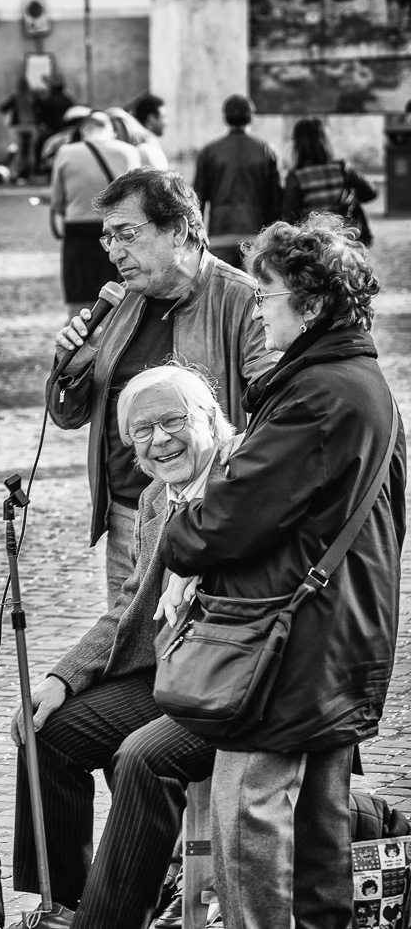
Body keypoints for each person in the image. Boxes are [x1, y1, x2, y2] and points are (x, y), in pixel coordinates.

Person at [159, 213, 406, 929]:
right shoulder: (353, 382)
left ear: (312, 303)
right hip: (334, 637)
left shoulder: (318, 396)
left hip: (289, 647)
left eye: (265, 296)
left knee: (257, 836)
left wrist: (178, 534)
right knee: (317, 840)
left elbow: (227, 520)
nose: (256, 309)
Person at [11, 364, 228, 929]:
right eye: (142, 431)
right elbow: (129, 607)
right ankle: (64, 904)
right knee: (46, 733)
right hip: (175, 669)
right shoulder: (158, 497)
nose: (160, 440)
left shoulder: (242, 479)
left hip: (232, 677)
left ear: (209, 417)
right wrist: (63, 677)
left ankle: (110, 920)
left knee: (140, 757)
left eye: (173, 421)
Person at [47, 167, 275, 604]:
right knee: (125, 659)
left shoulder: (243, 301)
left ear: (179, 230)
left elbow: (279, 406)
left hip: (204, 519)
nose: (114, 251)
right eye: (108, 238)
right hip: (126, 519)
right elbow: (68, 414)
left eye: (126, 234)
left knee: (191, 661)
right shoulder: (118, 303)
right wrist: (71, 368)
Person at [49, 112, 140, 315]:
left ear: (84, 131)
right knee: (119, 295)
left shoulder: (66, 152)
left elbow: (57, 199)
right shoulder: (128, 152)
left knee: (79, 296)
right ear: (112, 132)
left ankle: (80, 337)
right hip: (118, 230)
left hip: (77, 228)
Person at [193, 94, 282, 269]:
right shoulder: (266, 150)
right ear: (251, 116)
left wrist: (197, 236)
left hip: (219, 235)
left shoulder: (209, 151)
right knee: (255, 292)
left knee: (221, 292)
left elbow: (197, 200)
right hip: (256, 236)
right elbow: (276, 199)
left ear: (225, 117)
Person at [281, 116, 377, 245]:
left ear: (297, 144)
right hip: (345, 242)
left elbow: (288, 218)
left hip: (312, 245)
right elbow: (371, 192)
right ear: (324, 140)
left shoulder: (295, 176)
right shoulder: (341, 168)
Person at [0, 77, 39, 184]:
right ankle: (30, 173)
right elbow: (42, 109)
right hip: (31, 127)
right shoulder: (33, 97)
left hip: (18, 127)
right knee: (30, 151)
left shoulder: (15, 97)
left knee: (19, 151)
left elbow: (2, 108)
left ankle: (16, 173)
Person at [131, 94, 169, 169]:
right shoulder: (144, 148)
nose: (167, 122)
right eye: (164, 117)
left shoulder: (150, 143)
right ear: (152, 118)